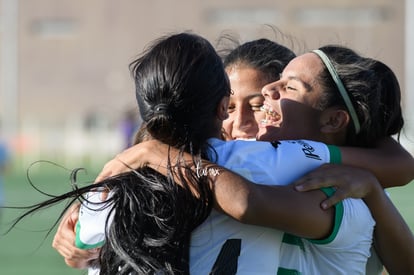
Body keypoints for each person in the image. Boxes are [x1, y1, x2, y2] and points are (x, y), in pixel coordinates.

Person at [83, 45, 414, 274]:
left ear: (332, 120)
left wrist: (152, 152)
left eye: (256, 105)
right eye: (228, 107)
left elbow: (248, 202)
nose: (238, 124)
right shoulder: (229, 169)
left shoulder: (334, 191)